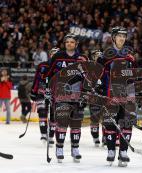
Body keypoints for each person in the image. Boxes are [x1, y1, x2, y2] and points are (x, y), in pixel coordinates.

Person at [98, 26, 136, 167]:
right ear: (113, 37)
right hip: (110, 95)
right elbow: (98, 74)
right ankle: (111, 150)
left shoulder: (130, 56)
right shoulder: (105, 55)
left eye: (124, 36)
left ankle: (124, 151)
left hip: (126, 96)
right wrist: (99, 86)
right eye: (119, 35)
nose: (122, 38)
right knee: (110, 123)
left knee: (126, 123)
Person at [47, 33, 87, 163]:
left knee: (76, 124)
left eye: (72, 42)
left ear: (76, 44)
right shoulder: (58, 57)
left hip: (77, 96)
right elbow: (48, 73)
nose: (69, 44)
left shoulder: (82, 59)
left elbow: (87, 78)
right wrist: (47, 88)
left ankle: (75, 149)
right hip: (61, 95)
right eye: (67, 42)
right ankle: (59, 148)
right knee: (62, 122)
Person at [30, 47, 59, 144]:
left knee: (54, 116)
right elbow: (37, 79)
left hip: (56, 94)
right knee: (42, 112)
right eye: (53, 53)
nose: (54, 55)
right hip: (41, 93)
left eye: (56, 54)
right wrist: (33, 91)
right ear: (50, 54)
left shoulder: (63, 67)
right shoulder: (42, 65)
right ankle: (43, 134)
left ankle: (51, 136)